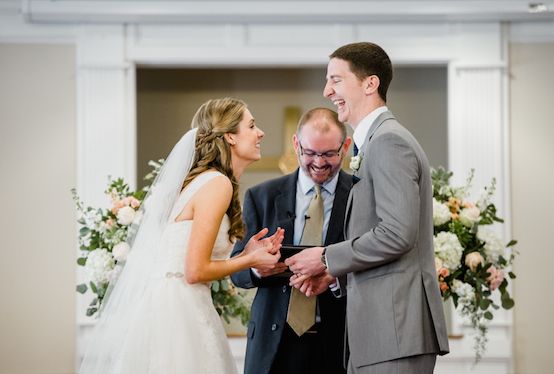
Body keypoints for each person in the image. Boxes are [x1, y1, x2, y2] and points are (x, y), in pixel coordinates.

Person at [79, 97, 284, 374]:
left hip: (170, 302)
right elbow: (195, 271)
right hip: (179, 309)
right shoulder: (217, 183)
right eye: (252, 125)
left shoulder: (203, 181)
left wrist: (247, 253)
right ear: (230, 138)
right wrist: (251, 260)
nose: (260, 133)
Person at [286, 42, 450, 373]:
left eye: (335, 79)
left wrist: (323, 257)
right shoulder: (376, 141)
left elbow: (397, 234)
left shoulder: (389, 142)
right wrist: (335, 274)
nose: (326, 90)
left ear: (369, 83)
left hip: (395, 328)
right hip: (383, 330)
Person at [230, 108, 353, 374]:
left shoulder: (361, 194)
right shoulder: (261, 196)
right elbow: (236, 271)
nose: (319, 162)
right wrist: (254, 266)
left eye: (329, 154)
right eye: (310, 153)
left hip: (340, 342)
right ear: (296, 144)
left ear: (346, 146)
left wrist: (335, 276)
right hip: (273, 345)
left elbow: (373, 260)